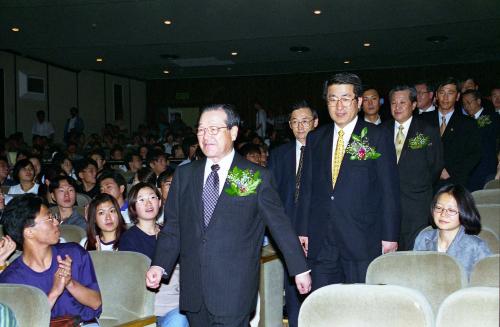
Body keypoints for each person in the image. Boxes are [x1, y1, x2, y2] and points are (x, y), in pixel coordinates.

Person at [146, 104, 310, 327]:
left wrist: (299, 268)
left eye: (214, 129)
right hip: (195, 289)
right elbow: (173, 227)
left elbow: (279, 225)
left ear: (233, 132)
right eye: (202, 130)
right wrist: (159, 265)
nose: (206, 136)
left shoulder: (255, 176)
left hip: (234, 289)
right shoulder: (185, 175)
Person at [296, 73, 401, 290]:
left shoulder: (377, 136)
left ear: (359, 102)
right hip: (322, 237)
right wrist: (303, 229)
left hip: (361, 237)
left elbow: (389, 190)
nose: (339, 105)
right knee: (325, 303)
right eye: (333, 99)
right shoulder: (316, 138)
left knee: (360, 304)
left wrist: (390, 235)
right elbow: (307, 187)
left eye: (346, 98)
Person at [0, 194, 102, 324]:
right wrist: (54, 293)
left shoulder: (74, 253)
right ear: (29, 232)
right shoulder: (11, 280)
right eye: (49, 218)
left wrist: (70, 283)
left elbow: (96, 304)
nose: (56, 222)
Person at [268, 100, 318, 327]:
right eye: (295, 122)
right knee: (294, 289)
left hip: (319, 230)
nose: (300, 126)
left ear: (315, 123)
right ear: (289, 125)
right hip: (288, 231)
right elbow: (273, 197)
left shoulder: (326, 152)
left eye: (305, 121)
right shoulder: (279, 154)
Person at [382, 85, 443, 250]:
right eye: (394, 103)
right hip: (386, 204)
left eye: (402, 102)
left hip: (417, 203)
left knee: (415, 250)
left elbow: (435, 166)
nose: (397, 107)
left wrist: (417, 185)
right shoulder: (381, 131)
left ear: (414, 105)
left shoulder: (427, 131)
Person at [120, 183, 188, 327]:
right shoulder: (129, 238)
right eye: (141, 200)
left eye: (152, 197)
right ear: (132, 207)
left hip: (182, 298)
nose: (149, 203)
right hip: (154, 305)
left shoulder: (171, 234)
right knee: (179, 320)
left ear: (160, 202)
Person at [413, 184, 492, 277]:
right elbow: (415, 273)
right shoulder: (424, 238)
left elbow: (487, 280)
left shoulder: (476, 246)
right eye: (439, 208)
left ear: (464, 212)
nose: (443, 214)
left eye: (451, 210)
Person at [421, 77, 481, 189]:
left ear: (457, 96)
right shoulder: (422, 120)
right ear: (436, 95)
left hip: (455, 183)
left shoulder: (468, 123)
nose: (445, 97)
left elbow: (474, 154)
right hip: (426, 183)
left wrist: (451, 171)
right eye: (442, 93)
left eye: (450, 93)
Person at [461, 89, 499, 191]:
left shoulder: (492, 117)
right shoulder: (464, 122)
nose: (466, 107)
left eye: (469, 102)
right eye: (464, 104)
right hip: (469, 171)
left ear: (478, 101)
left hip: (486, 168)